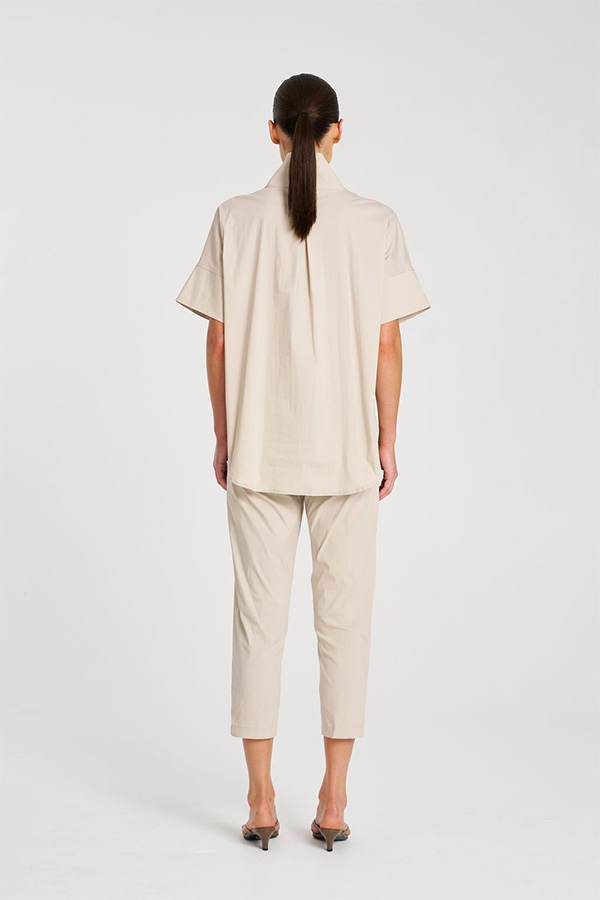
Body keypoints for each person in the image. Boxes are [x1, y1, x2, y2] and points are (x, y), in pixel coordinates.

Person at [174, 73, 430, 852]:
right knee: (344, 625)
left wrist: (223, 432)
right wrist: (386, 438)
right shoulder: (376, 222)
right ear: (338, 131)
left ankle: (259, 800)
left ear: (274, 132)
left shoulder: (235, 217)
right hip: (347, 453)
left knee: (258, 624)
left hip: (259, 448)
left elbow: (218, 341)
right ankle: (334, 799)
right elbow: (388, 342)